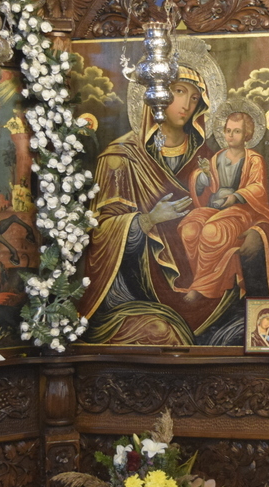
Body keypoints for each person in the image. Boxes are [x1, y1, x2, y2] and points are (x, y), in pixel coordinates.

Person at [77, 64, 240, 346]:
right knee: (162, 334)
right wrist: (147, 220)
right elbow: (98, 236)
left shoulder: (209, 159)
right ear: (154, 95)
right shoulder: (120, 157)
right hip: (138, 290)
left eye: (194, 98)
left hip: (205, 284)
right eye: (178, 92)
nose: (186, 104)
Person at [178, 110, 269, 303]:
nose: (231, 135)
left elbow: (258, 188)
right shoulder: (217, 158)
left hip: (242, 213)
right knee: (189, 229)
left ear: (247, 135)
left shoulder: (254, 160)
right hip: (216, 208)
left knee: (211, 232)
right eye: (228, 130)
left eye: (237, 131)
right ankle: (202, 280)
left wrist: (236, 196)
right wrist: (202, 178)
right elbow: (209, 187)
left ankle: (202, 288)